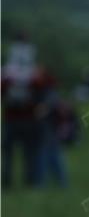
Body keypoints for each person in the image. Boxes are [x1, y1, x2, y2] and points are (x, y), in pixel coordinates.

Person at [1, 38, 49, 188]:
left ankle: (17, 182)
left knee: (22, 153)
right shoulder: (30, 75)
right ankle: (22, 181)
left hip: (19, 119)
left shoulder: (10, 75)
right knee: (24, 153)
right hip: (20, 119)